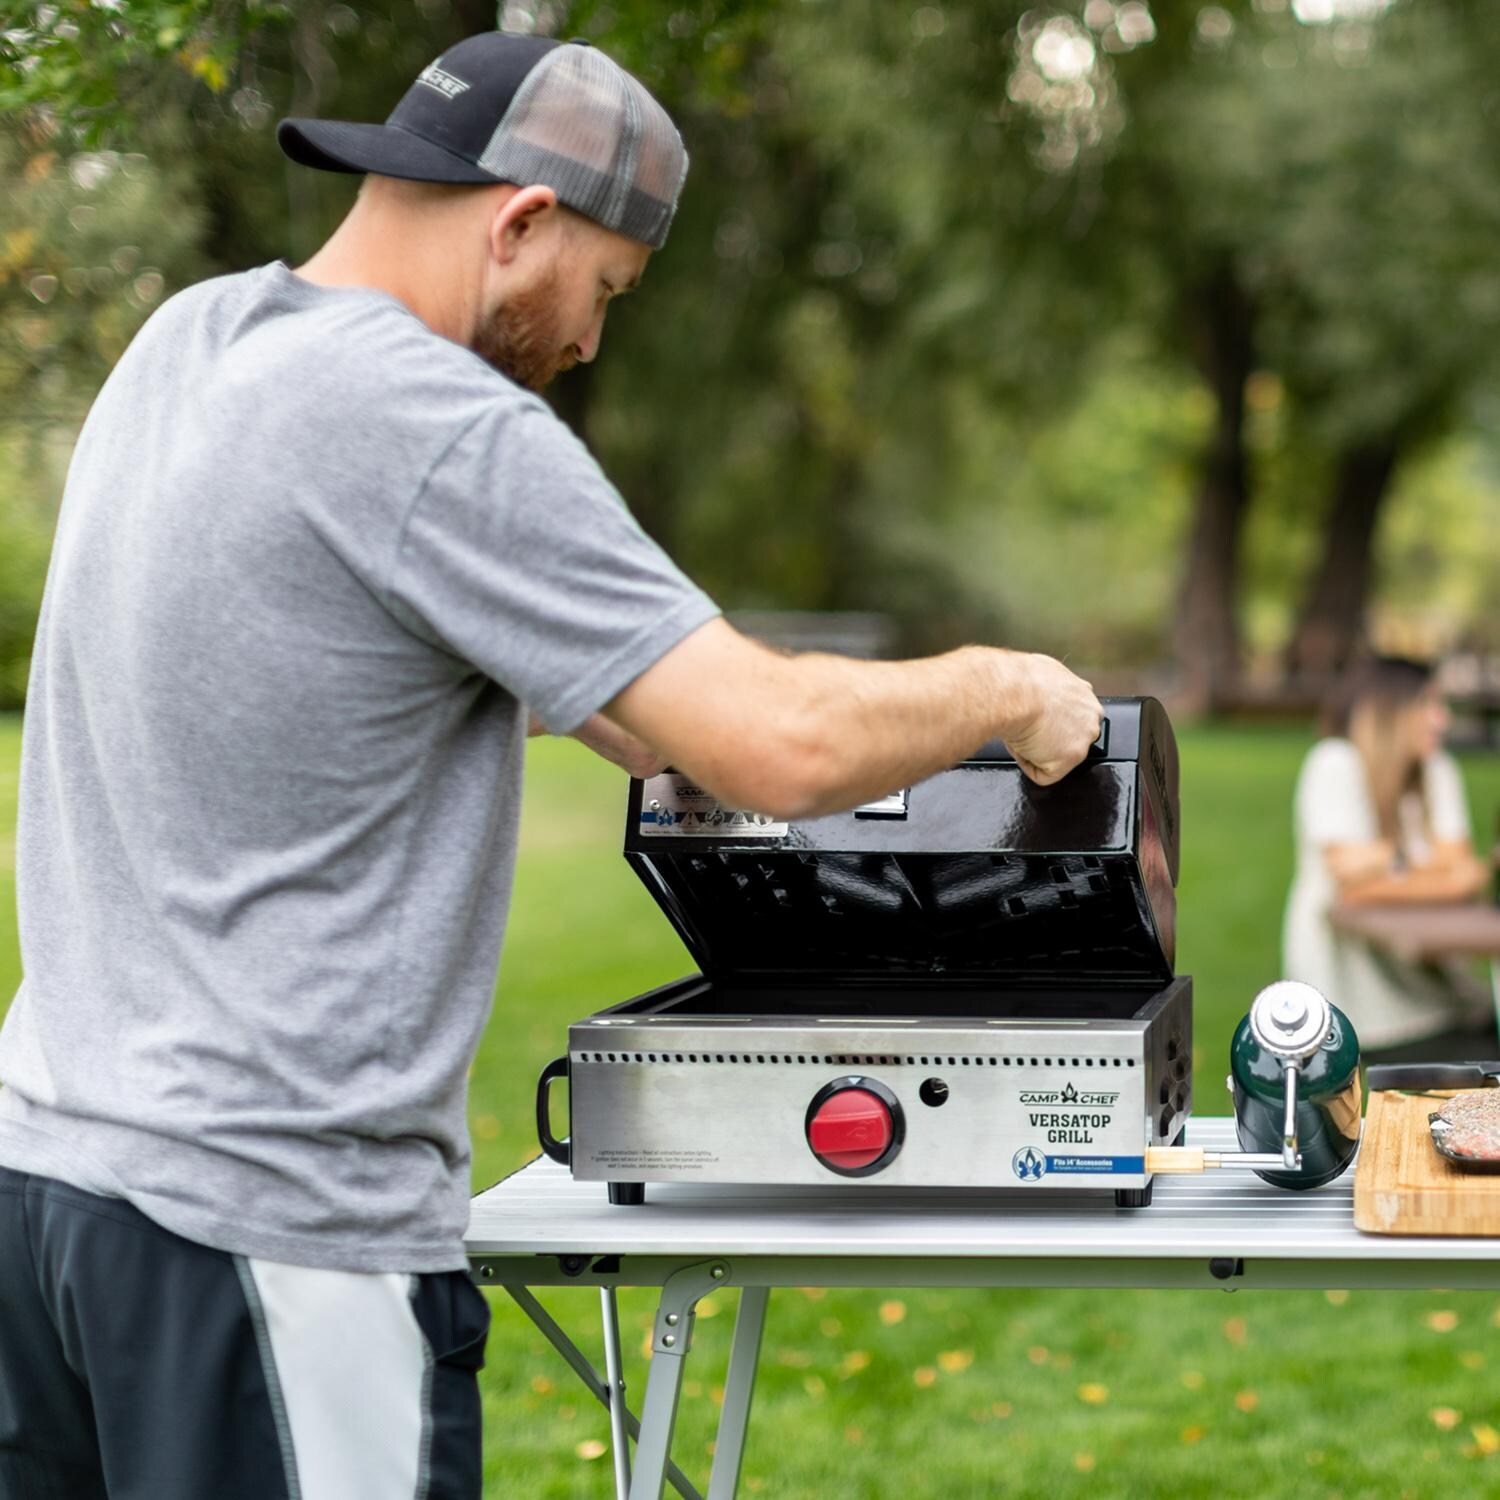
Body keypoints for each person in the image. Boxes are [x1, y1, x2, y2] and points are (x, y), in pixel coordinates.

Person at [0, 31, 1103, 1500]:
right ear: (522, 223)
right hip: (262, 1234)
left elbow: (643, 724)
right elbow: (779, 751)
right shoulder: (434, 427)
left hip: (47, 1195)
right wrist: (1007, 688)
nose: (590, 346)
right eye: (605, 292)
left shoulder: (187, 348)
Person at [1283, 655, 1491, 1060]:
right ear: (1387, 710)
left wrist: (1385, 861)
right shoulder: (1335, 763)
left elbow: (1466, 874)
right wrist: (1429, 865)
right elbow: (1352, 890)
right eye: (1430, 704)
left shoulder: (1437, 768)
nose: (1442, 720)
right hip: (1364, 1014)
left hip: (1445, 997)